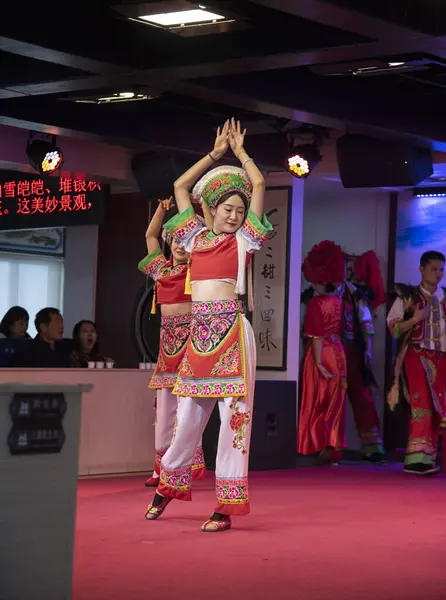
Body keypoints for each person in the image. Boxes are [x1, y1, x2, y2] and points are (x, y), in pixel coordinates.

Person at [145, 118, 273, 532]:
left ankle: (226, 505)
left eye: (240, 210)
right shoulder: (194, 238)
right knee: (187, 422)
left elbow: (259, 185)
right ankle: (168, 483)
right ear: (212, 210)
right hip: (199, 339)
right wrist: (215, 155)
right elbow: (182, 186)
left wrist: (242, 155)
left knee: (236, 420)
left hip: (233, 335)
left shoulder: (244, 242)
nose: (236, 215)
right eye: (229, 209)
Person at [138, 197, 206, 488]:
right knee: (164, 411)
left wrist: (200, 209)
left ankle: (185, 466)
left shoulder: (201, 270)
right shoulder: (160, 271)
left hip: (192, 346)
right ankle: (161, 467)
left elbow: (209, 234)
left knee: (188, 409)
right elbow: (149, 235)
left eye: (184, 239)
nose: (179, 245)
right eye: (175, 240)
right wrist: (162, 209)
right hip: (167, 350)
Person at [387, 250, 446, 476]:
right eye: (433, 269)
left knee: (438, 406)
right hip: (416, 353)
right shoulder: (408, 296)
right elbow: (393, 328)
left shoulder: (444, 297)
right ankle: (416, 459)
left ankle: (427, 457)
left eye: (441, 270)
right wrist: (413, 320)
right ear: (421, 269)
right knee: (420, 402)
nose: (438, 274)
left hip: (441, 356)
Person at [298, 241, 347, 464]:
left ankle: (315, 445)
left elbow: (316, 335)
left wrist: (317, 363)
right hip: (338, 352)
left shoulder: (316, 304)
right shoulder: (338, 301)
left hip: (321, 353)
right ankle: (333, 445)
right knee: (334, 402)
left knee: (316, 400)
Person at [338, 252, 385, 463]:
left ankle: (372, 446)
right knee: (328, 399)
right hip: (329, 351)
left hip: (351, 350)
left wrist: (368, 349)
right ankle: (327, 446)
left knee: (362, 397)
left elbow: (366, 323)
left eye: (347, 268)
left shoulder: (355, 293)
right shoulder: (318, 291)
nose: (343, 273)